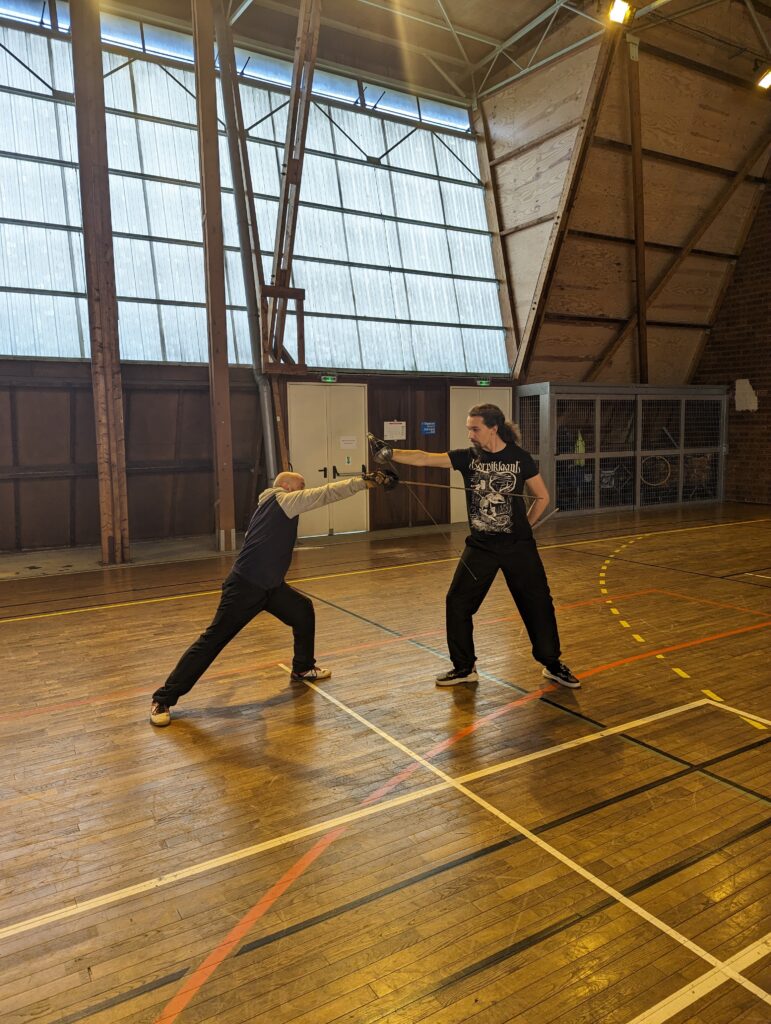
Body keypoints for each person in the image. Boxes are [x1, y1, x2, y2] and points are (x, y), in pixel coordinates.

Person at [150, 469, 394, 726]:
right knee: (212, 641)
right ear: (287, 486)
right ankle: (163, 699)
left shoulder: (274, 505)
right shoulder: (281, 500)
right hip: (245, 588)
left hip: (271, 587)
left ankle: (302, 667)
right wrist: (363, 482)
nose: (304, 492)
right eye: (301, 486)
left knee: (302, 610)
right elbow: (325, 494)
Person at [377, 404, 579, 689]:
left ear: (493, 428)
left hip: (519, 548)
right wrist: (390, 453)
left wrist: (526, 527)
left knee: (538, 605)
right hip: (481, 547)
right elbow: (424, 458)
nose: (470, 434)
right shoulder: (467, 458)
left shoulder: (520, 458)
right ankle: (464, 667)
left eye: (475, 429)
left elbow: (542, 498)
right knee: (457, 602)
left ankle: (552, 663)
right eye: (468, 429)